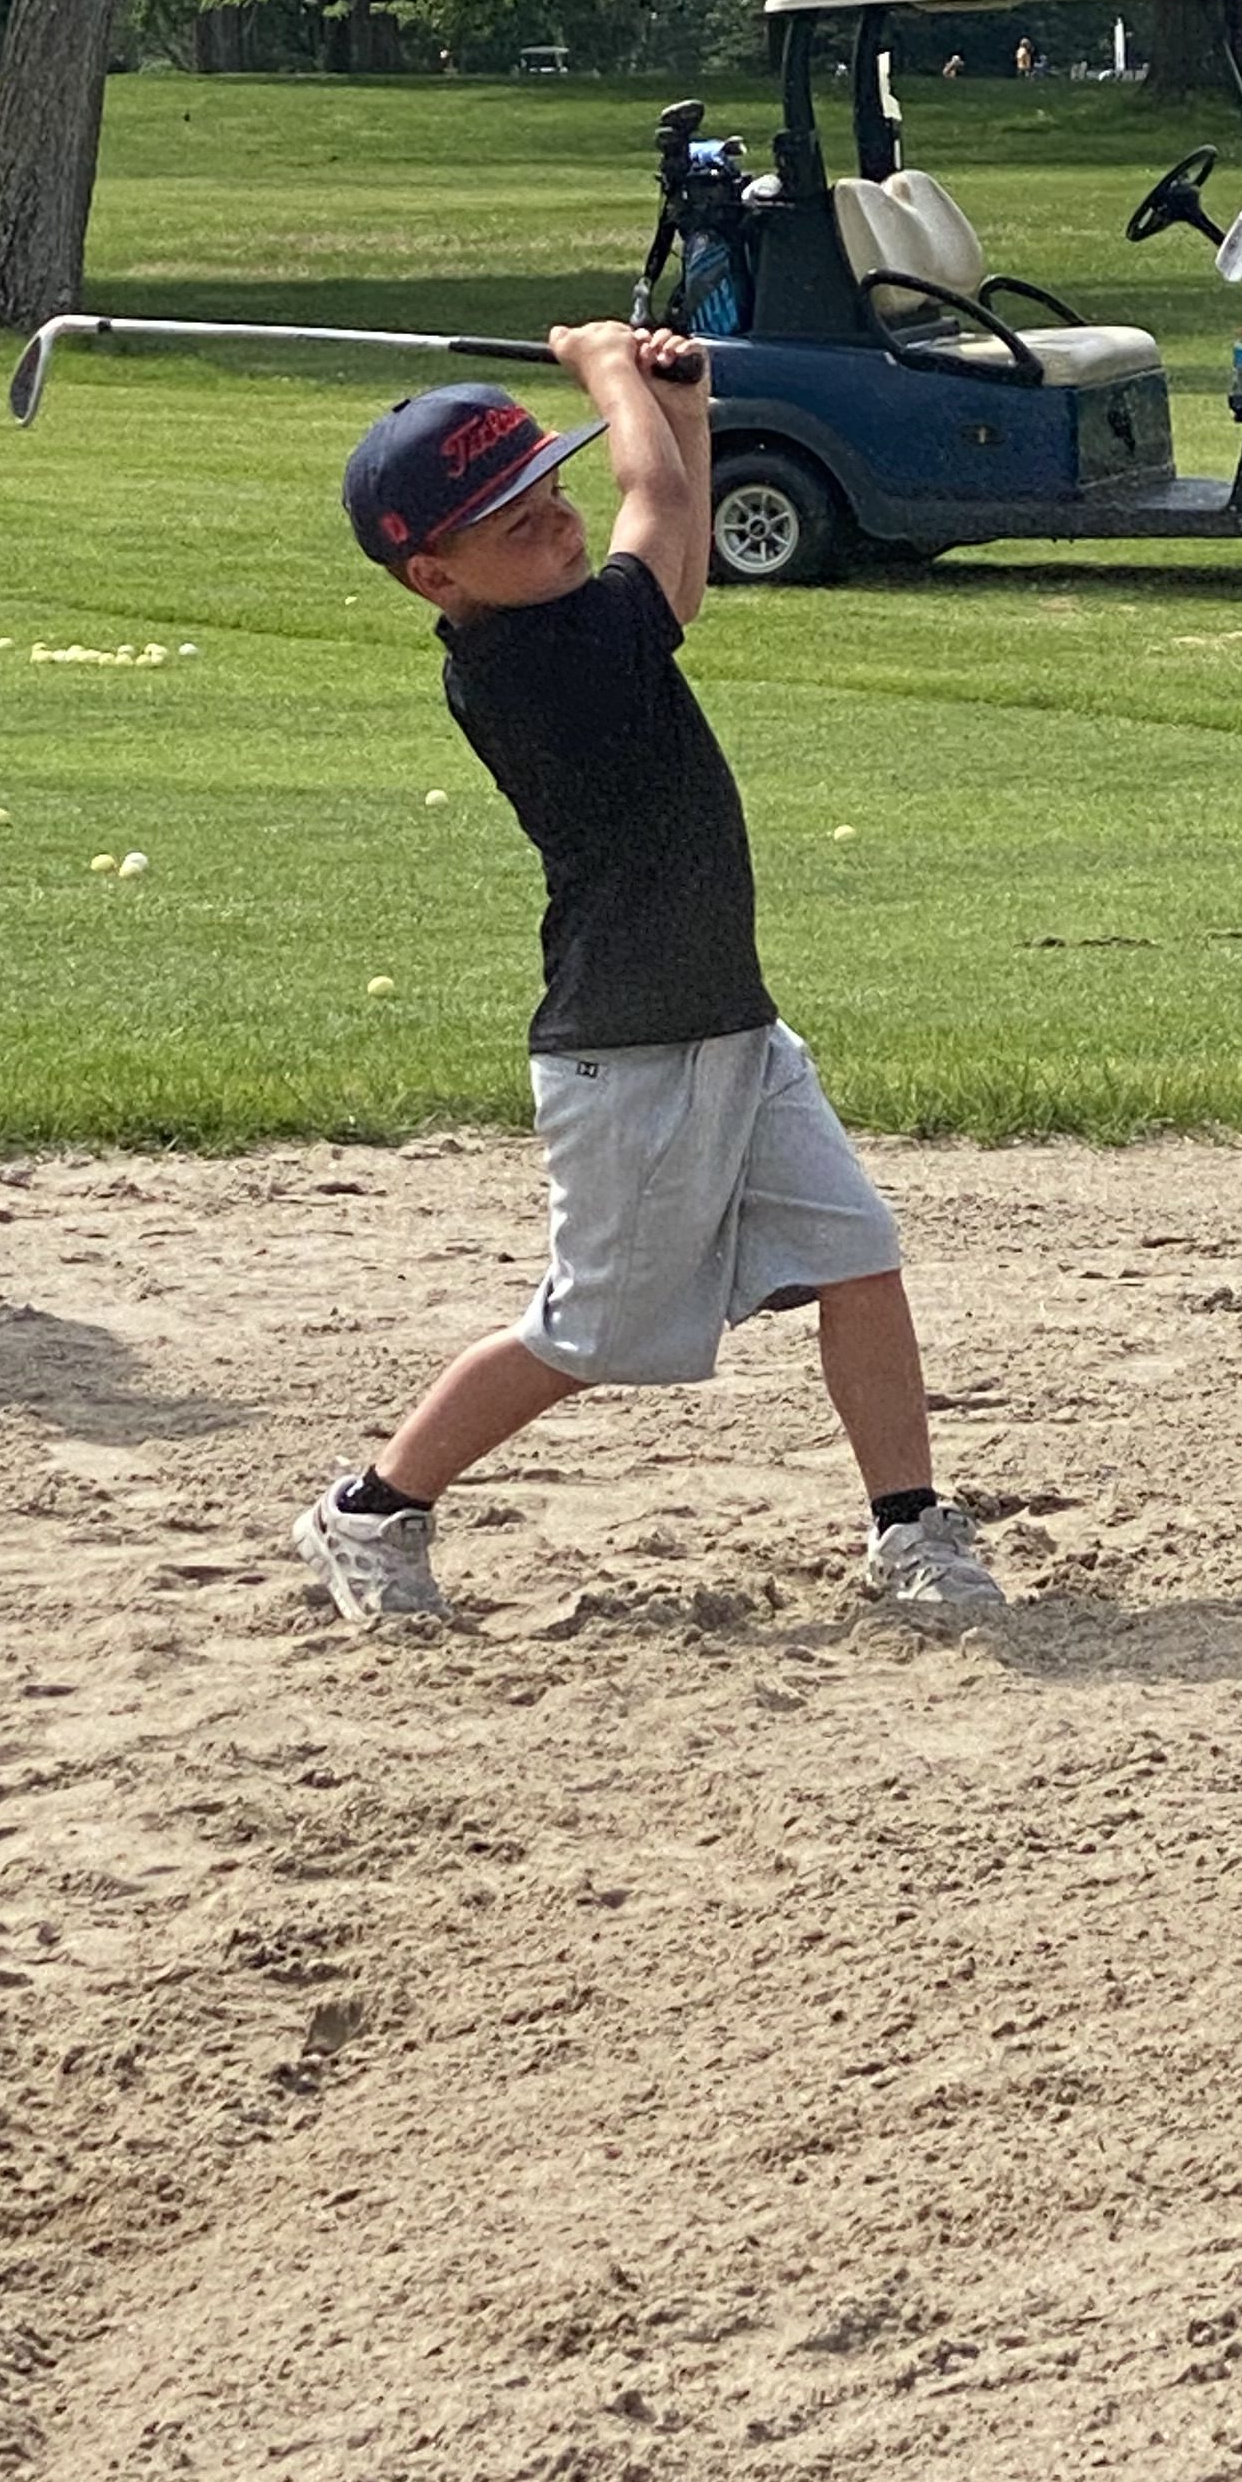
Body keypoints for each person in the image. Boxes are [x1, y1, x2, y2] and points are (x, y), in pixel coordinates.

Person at [295, 330, 1005, 1622]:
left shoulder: (580, 622)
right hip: (630, 1050)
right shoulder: (535, 665)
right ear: (430, 574)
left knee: (860, 1256)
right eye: (512, 528)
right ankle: (372, 1510)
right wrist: (610, 373)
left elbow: (670, 575)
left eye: (552, 498)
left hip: (722, 1021)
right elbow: (665, 513)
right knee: (586, 1335)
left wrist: (687, 400)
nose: (554, 531)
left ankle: (909, 1526)